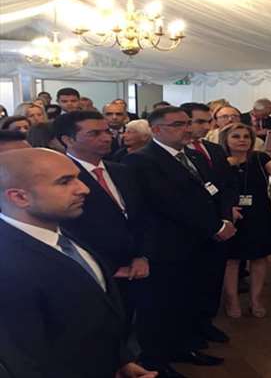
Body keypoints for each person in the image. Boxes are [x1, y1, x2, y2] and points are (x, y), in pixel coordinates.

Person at [0, 148, 156, 378]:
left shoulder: (65, 229)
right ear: (19, 197)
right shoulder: (7, 264)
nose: (84, 189)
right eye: (65, 182)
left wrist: (119, 361)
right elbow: (22, 360)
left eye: (78, 178)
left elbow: (90, 320)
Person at [122, 107, 237, 376]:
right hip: (166, 246)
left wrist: (223, 219)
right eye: (177, 125)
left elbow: (213, 191)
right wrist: (215, 227)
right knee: (161, 306)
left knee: (186, 300)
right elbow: (168, 203)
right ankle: (155, 360)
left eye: (187, 124)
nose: (187, 129)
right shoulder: (141, 160)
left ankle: (183, 347)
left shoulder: (192, 155)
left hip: (198, 244)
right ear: (156, 130)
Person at [54, 111, 154, 340]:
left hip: (135, 267)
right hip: (93, 271)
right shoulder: (61, 177)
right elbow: (67, 230)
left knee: (132, 325)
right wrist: (107, 267)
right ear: (67, 139)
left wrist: (142, 256)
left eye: (107, 131)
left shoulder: (121, 170)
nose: (106, 137)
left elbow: (140, 216)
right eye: (94, 133)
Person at [180, 102, 239, 343]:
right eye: (199, 122)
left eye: (208, 121)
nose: (206, 126)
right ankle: (189, 328)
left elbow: (227, 185)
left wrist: (225, 218)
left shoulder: (214, 149)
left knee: (213, 277)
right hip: (193, 230)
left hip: (220, 225)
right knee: (190, 283)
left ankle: (207, 322)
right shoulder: (177, 154)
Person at [219, 123, 271, 318]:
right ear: (226, 140)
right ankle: (232, 300)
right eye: (236, 136)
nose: (242, 140)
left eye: (246, 136)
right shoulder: (219, 160)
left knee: (259, 257)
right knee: (232, 259)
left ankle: (256, 299)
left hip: (259, 213)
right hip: (232, 213)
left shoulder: (259, 157)